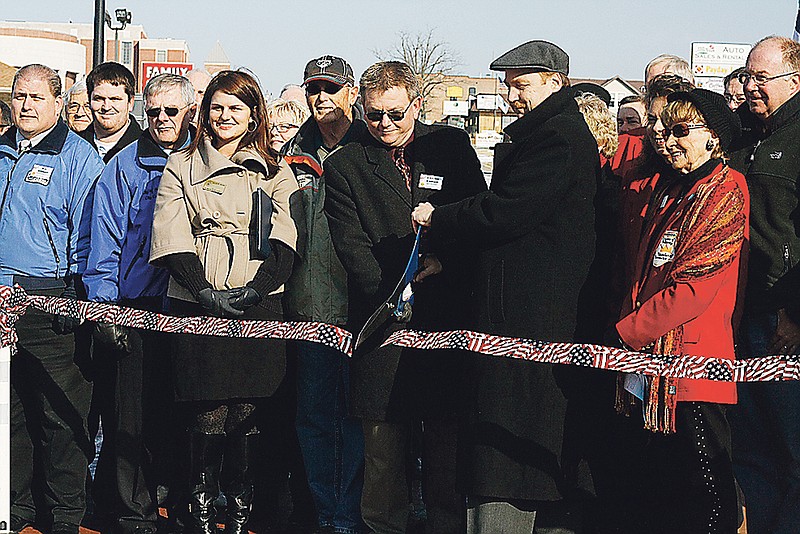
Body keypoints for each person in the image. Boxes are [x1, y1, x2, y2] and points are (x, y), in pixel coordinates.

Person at [412, 39, 598, 534]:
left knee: (516, 424)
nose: (514, 96)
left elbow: (507, 211)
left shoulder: (557, 137)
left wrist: (439, 216)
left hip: (533, 310)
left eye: (522, 85)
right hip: (522, 304)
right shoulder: (547, 132)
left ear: (555, 82)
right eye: (510, 86)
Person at [325, 60, 486, 534]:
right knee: (383, 451)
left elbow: (475, 216)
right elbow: (352, 248)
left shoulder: (451, 147)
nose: (385, 125)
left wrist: (445, 263)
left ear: (416, 104)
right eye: (374, 115)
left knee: (444, 447)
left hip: (445, 319)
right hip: (382, 321)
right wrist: (404, 285)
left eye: (396, 113)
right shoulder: (345, 165)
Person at [149, 69, 301, 534]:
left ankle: (239, 511)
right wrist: (204, 291)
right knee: (206, 409)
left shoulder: (277, 169)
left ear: (254, 112)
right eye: (217, 106)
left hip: (259, 302)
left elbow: (288, 237)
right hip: (197, 300)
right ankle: (199, 511)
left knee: (250, 412)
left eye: (236, 107)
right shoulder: (181, 164)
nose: (224, 116)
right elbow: (170, 233)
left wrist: (258, 289)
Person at [615, 88, 747, 533]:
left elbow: (696, 287)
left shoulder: (726, 188)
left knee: (705, 489)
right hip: (652, 364)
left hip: (693, 365)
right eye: (664, 130)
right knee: (663, 491)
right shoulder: (673, 188)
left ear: (714, 137)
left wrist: (628, 332)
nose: (668, 140)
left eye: (681, 131)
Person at [82, 73, 195, 534]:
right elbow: (103, 244)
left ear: (191, 110)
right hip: (137, 305)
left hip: (193, 306)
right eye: (153, 111)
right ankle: (133, 512)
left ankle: (185, 502)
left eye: (172, 111)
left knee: (188, 414)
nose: (162, 119)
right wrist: (105, 309)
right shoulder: (124, 167)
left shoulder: (207, 160)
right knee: (131, 418)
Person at [1, 63, 105, 534]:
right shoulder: (2, 149)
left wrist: (75, 294)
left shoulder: (78, 157)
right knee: (11, 410)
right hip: (2, 296)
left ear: (59, 102)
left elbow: (91, 234)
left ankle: (65, 514)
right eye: (19, 96)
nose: (25, 106)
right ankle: (16, 506)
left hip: (50, 298)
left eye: (36, 98)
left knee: (60, 413)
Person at [281, 55, 367, 534]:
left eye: (331, 88)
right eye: (313, 89)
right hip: (310, 309)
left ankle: (350, 515)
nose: (321, 98)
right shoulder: (292, 154)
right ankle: (327, 514)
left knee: (359, 421)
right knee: (313, 419)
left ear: (351, 92)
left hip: (363, 311)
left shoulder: (373, 145)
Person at [728, 35, 800, 534]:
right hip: (742, 317)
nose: (750, 86)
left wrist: (796, 314)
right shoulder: (751, 138)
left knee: (793, 451)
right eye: (747, 76)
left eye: (761, 77)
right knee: (752, 451)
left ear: (794, 80)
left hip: (782, 321)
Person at [81, 62, 142, 163]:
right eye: (99, 99)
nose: (107, 107)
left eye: (115, 99)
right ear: (89, 100)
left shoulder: (146, 149)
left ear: (130, 102)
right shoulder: (73, 146)